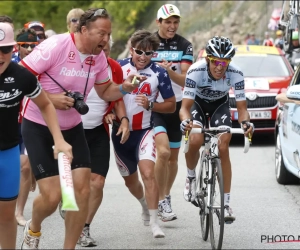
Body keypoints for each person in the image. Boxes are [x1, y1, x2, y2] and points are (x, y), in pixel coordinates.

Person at [19, 8, 144, 249]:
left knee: (82, 192)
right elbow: (21, 77)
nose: (105, 40)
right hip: (38, 125)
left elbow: (106, 92)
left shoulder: (98, 58)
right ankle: (33, 228)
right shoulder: (55, 46)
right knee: (53, 196)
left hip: (73, 126)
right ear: (83, 30)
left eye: (108, 34)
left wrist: (125, 88)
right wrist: (50, 99)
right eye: (101, 33)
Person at [0, 22, 72, 250]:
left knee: (5, 216)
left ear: (13, 49)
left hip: (8, 152)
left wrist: (59, 139)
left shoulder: (22, 75)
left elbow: (46, 105)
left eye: (4, 49)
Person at [59, 37, 129, 247]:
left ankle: (84, 227)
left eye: (106, 50)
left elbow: (116, 97)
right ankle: (67, 202)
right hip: (72, 130)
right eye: (100, 49)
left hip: (98, 130)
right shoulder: (76, 64)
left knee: (97, 182)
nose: (102, 54)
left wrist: (122, 119)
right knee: (75, 185)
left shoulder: (114, 67)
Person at [179, 36, 254, 223]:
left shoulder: (236, 73)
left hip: (220, 105)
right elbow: (184, 108)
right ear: (208, 60)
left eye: (225, 62)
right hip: (197, 104)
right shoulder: (195, 71)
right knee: (195, 139)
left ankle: (226, 204)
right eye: (216, 62)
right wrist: (186, 122)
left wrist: (246, 124)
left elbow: (242, 109)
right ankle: (190, 178)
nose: (220, 67)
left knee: (223, 145)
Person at [114, 29, 176, 238]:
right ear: (131, 49)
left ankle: (155, 223)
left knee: (148, 174)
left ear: (154, 55)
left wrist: (151, 104)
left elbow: (171, 105)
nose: (142, 57)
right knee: (130, 182)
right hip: (120, 133)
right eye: (139, 52)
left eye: (148, 53)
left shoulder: (159, 72)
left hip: (145, 131)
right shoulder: (118, 67)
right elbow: (106, 95)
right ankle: (143, 204)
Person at [151, 3, 194, 222]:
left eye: (175, 22)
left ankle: (165, 197)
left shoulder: (185, 45)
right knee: (164, 152)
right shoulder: (148, 43)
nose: (172, 26)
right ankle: (158, 199)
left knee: (173, 159)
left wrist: (169, 72)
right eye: (168, 22)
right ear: (158, 22)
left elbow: (187, 79)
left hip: (177, 106)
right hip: (156, 105)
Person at [11, 28, 38, 227]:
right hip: (9, 122)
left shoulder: (42, 66)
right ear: (17, 47)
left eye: (32, 46)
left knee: (26, 167)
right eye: (24, 46)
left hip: (29, 121)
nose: (29, 49)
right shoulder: (8, 64)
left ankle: (18, 212)